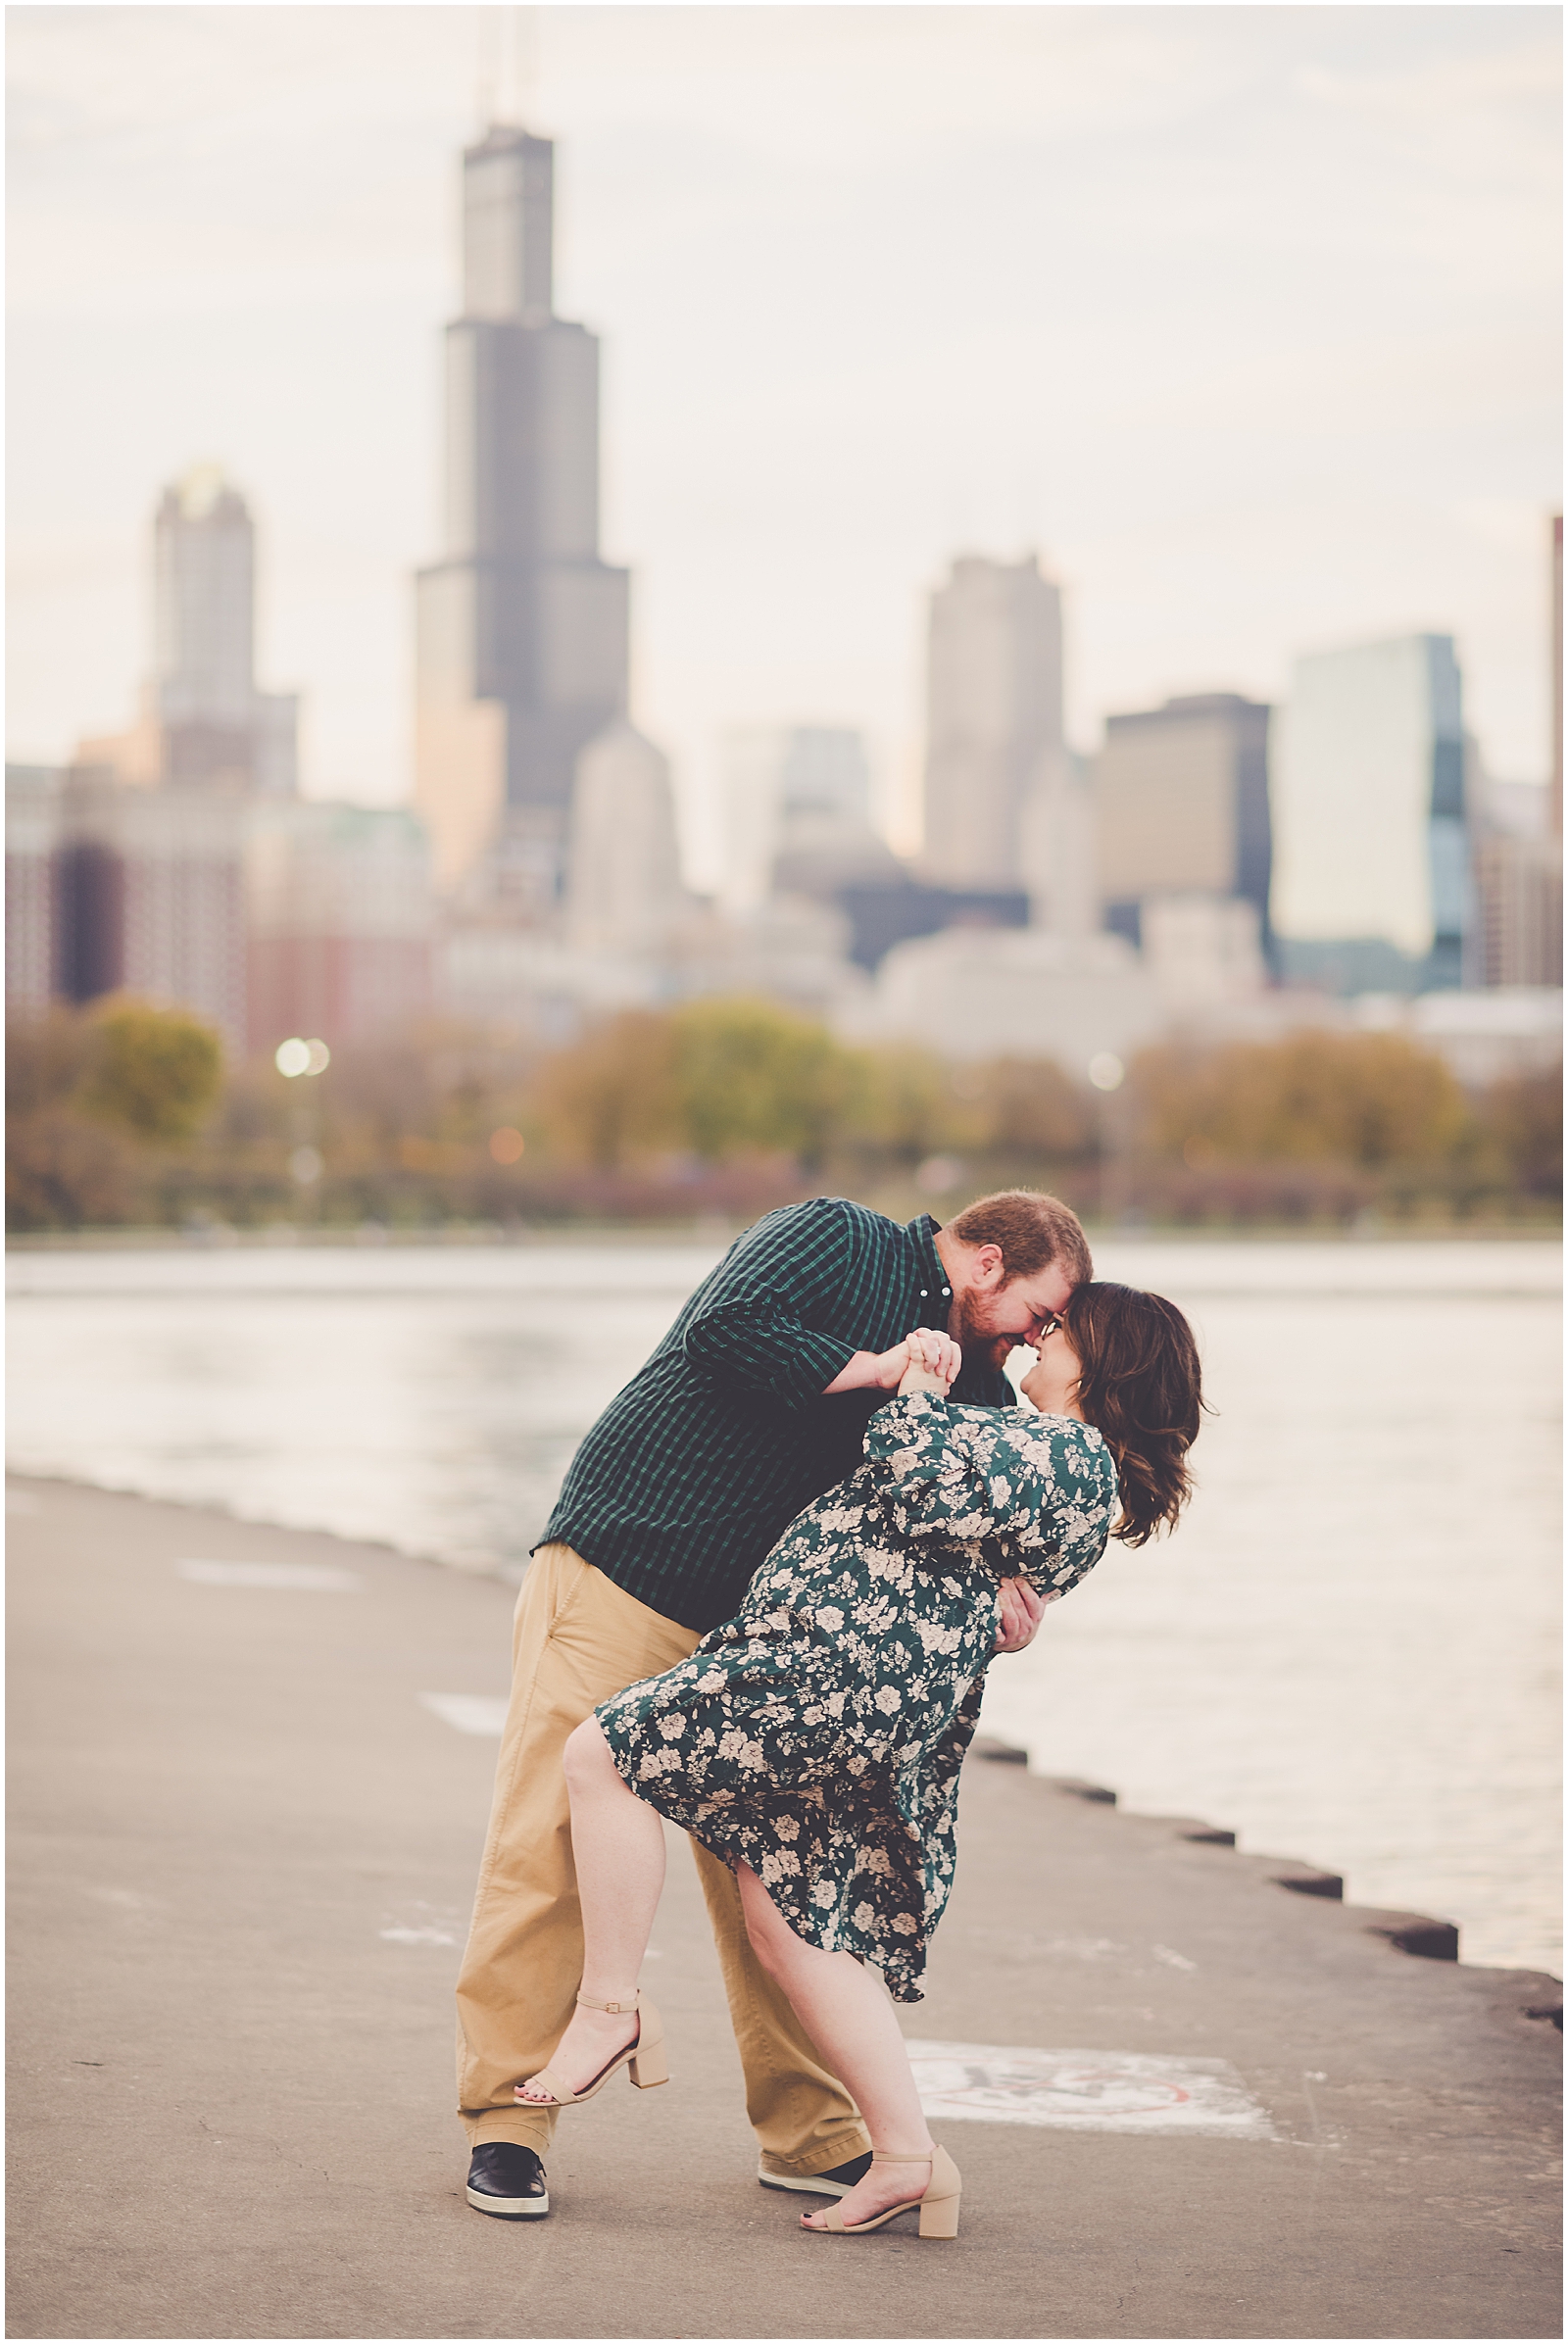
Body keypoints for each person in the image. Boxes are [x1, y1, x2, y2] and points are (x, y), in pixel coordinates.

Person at [514, 1280, 1203, 2240]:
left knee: (605, 1755)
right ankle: (906, 2153)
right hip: (858, 1689)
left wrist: (917, 1380)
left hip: (826, 1669)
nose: (1036, 1341)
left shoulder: (1064, 1449)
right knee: (790, 1919)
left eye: (1056, 1331)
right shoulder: (1071, 1467)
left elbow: (910, 1463)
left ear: (1106, 1362)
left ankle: (609, 2006)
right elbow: (973, 1568)